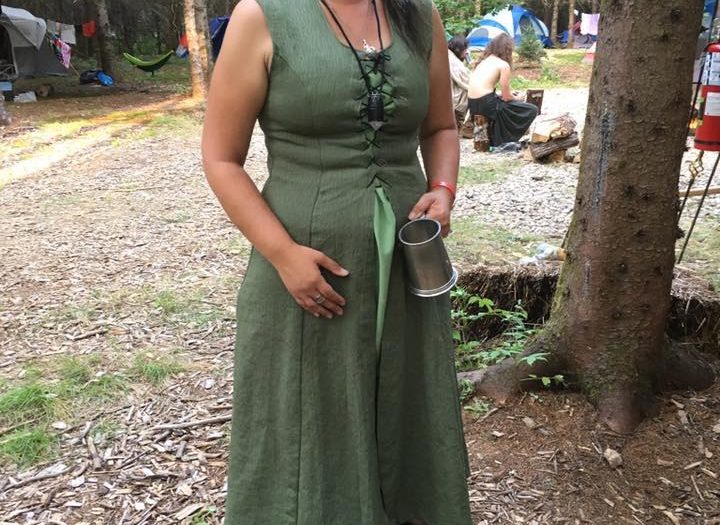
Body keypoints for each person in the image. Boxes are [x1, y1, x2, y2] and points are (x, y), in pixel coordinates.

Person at [202, 1, 473, 524]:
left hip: (408, 262)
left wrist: (443, 189)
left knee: (405, 397)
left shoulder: (419, 14)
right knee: (310, 409)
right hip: (307, 268)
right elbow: (220, 158)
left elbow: (441, 127)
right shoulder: (263, 15)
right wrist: (283, 256)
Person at [468, 33, 538, 147]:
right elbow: (507, 97)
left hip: (473, 104)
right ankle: (506, 139)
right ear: (507, 49)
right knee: (532, 109)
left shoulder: (484, 61)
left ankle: (494, 137)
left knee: (503, 105)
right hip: (487, 105)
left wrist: (499, 95)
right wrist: (518, 98)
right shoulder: (503, 65)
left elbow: (483, 88)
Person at [448, 34, 470, 130]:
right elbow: (469, 83)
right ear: (458, 49)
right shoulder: (454, 63)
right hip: (453, 105)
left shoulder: (448, 56)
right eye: (465, 49)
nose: (467, 52)